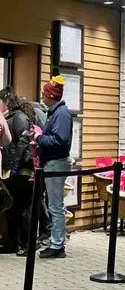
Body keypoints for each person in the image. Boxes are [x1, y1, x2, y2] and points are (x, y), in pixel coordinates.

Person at [34, 76, 73, 259]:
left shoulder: (61, 114)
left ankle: (57, 245)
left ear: (51, 95)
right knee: (54, 205)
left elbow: (60, 139)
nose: (42, 97)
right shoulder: (57, 112)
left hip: (55, 163)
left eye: (44, 94)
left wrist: (39, 138)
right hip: (53, 162)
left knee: (55, 206)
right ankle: (56, 242)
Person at [0, 88, 36, 256]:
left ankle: (27, 244)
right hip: (13, 168)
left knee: (21, 208)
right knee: (13, 208)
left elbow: (22, 143)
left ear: (6, 101)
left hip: (20, 170)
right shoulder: (13, 117)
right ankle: (14, 242)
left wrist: (14, 168)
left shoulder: (19, 117)